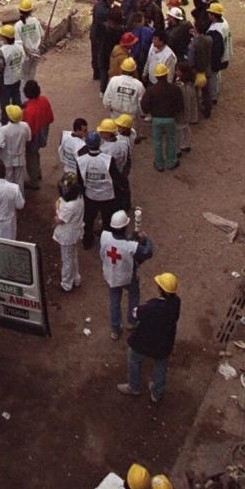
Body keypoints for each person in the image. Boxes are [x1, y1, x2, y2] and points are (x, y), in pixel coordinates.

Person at [118, 273, 181, 406]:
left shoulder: (153, 307)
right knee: (161, 365)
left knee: (133, 357)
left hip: (147, 340)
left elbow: (136, 313)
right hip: (165, 341)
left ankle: (133, 386)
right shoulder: (176, 302)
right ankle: (156, 393)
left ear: (161, 289)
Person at [100, 210, 153, 340]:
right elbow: (147, 252)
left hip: (111, 275)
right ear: (125, 227)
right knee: (133, 296)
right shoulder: (130, 246)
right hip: (128, 277)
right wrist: (146, 239)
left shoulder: (104, 236)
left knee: (114, 301)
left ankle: (115, 330)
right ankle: (132, 321)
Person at [80, 131, 123, 249]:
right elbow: (117, 177)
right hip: (107, 196)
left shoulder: (81, 160)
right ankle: (106, 244)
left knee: (88, 221)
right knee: (107, 220)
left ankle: (87, 242)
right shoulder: (108, 160)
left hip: (90, 196)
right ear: (99, 144)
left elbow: (80, 181)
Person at [141, 66, 182, 172]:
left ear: (156, 76)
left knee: (157, 141)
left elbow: (144, 105)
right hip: (170, 119)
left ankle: (159, 164)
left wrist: (149, 112)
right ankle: (171, 161)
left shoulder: (151, 90)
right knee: (171, 140)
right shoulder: (175, 89)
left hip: (156, 119)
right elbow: (180, 105)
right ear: (167, 74)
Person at [54, 171, 85, 292]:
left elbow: (58, 220)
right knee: (73, 256)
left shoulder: (69, 206)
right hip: (75, 231)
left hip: (67, 234)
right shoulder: (80, 197)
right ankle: (76, 279)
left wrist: (57, 207)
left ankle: (66, 284)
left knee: (67, 259)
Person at [22, 79, 54, 190]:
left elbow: (28, 131)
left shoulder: (29, 111)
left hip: (34, 135)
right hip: (44, 130)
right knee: (36, 154)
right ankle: (38, 172)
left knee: (31, 157)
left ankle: (34, 182)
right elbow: (50, 117)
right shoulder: (44, 100)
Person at [0, 104, 31, 189]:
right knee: (20, 180)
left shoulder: (4, 129)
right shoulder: (25, 126)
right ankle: (20, 199)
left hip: (7, 158)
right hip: (20, 157)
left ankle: (10, 200)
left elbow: (0, 144)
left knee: (8, 180)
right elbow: (29, 138)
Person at [0, 24, 25, 115]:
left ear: (5, 38)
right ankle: (17, 115)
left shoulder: (3, 50)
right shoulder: (19, 46)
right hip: (17, 76)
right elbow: (23, 58)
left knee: (5, 101)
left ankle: (5, 118)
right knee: (16, 95)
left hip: (6, 79)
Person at [14, 0, 44, 88]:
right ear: (31, 11)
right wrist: (38, 50)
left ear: (20, 11)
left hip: (25, 54)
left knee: (23, 77)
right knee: (31, 75)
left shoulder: (18, 25)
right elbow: (41, 36)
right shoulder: (35, 21)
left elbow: (19, 43)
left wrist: (28, 53)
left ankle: (24, 98)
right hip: (36, 52)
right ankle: (32, 94)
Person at [89, 0, 117, 81]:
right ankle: (99, 74)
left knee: (96, 54)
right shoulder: (103, 11)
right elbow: (106, 25)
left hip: (96, 33)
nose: (114, 0)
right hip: (98, 36)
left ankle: (96, 74)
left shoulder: (99, 5)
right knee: (99, 55)